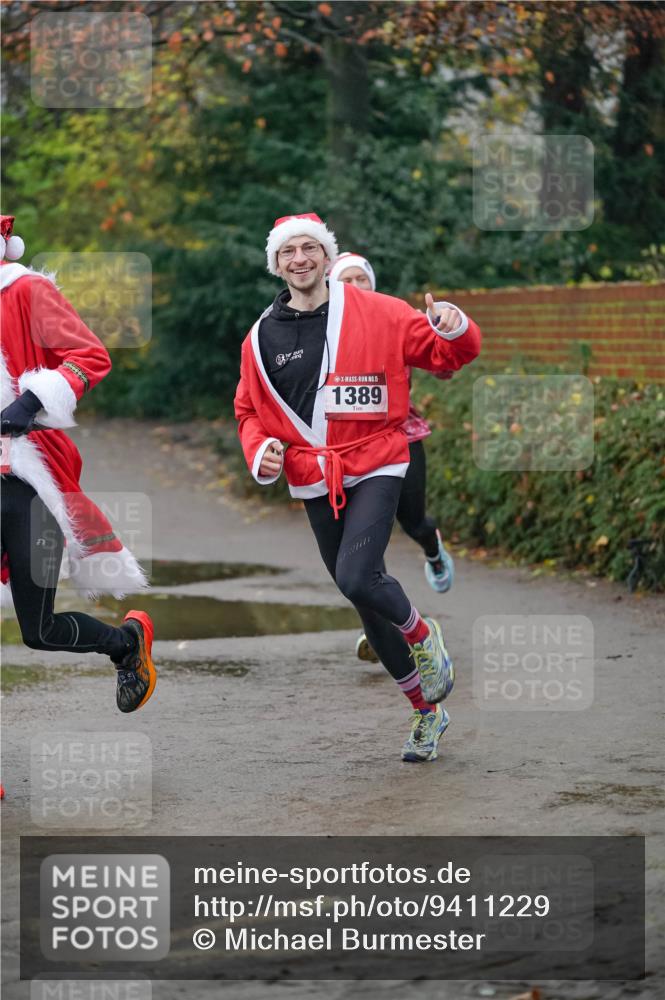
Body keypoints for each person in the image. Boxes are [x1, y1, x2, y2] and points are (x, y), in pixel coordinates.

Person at [234, 212, 481, 763]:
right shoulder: (260, 336)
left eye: (310, 248)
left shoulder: (379, 311)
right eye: (288, 251)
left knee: (356, 574)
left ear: (327, 257)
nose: (300, 258)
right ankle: (427, 713)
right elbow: (248, 410)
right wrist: (261, 450)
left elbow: (451, 355)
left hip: (377, 459)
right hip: (313, 476)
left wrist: (451, 323)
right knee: (364, 601)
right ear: (276, 264)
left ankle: (423, 636)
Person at [0, 215, 157, 716]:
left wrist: (30, 401)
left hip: (27, 476)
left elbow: (88, 356)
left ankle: (125, 644)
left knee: (39, 631)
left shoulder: (26, 291)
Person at [329, 252, 455, 665]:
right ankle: (380, 628)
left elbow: (443, 366)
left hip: (401, 436)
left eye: (361, 279)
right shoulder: (322, 329)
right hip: (348, 449)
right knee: (364, 546)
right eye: (346, 280)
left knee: (413, 520)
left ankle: (432, 548)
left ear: (373, 283)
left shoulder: (394, 319)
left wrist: (442, 330)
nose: (355, 287)